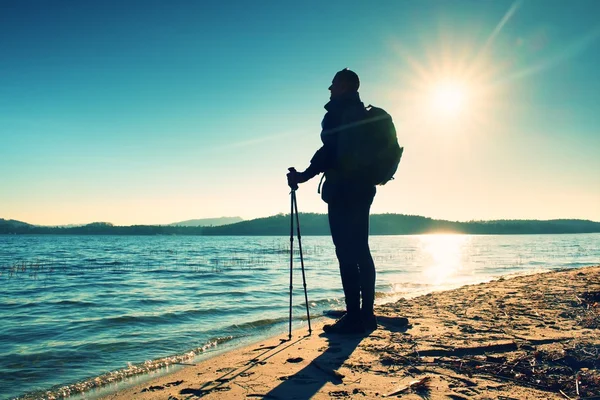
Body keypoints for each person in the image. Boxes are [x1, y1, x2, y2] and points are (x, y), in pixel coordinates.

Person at [287, 68, 378, 334]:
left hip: (342, 190)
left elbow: (329, 151)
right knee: (361, 249)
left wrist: (303, 175)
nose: (329, 90)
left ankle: (353, 317)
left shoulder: (337, 113)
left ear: (344, 87)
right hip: (364, 189)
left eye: (333, 85)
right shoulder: (365, 115)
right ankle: (367, 315)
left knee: (345, 252)